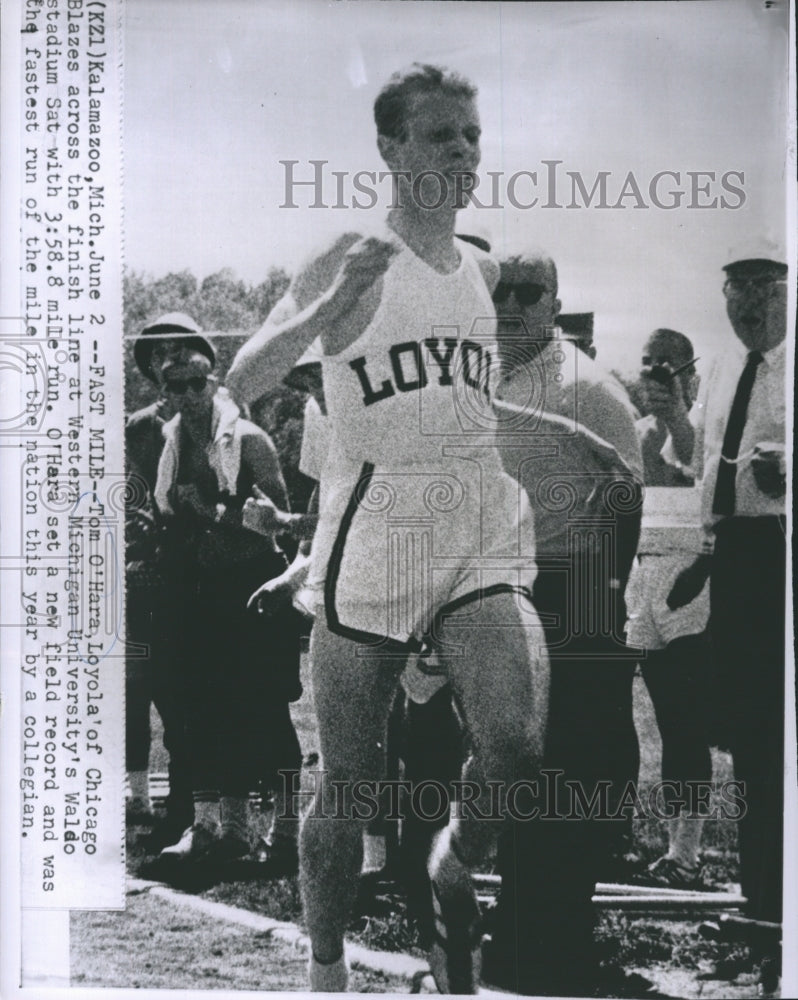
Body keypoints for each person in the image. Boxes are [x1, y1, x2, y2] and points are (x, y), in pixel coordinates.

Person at [227, 63, 549, 994]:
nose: (463, 151)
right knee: (349, 788)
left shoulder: (483, 272)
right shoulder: (351, 252)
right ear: (391, 149)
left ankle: (453, 861)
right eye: (442, 134)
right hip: (376, 526)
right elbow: (243, 378)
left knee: (516, 744)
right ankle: (326, 970)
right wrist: (330, 312)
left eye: (473, 136)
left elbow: (470, 414)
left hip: (474, 518)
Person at [483, 251, 645, 996]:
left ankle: (554, 939)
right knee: (523, 761)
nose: (511, 304)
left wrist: (598, 603)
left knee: (579, 764)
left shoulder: (583, 386)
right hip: (511, 587)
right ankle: (524, 928)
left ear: (554, 302)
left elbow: (626, 494)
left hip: (575, 589)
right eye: (499, 292)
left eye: (528, 292)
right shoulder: (489, 378)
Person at [665, 241, 787, 985]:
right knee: (750, 745)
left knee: (782, 741)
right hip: (736, 567)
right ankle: (762, 901)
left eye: (763, 287)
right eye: (735, 288)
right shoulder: (722, 371)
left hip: (785, 559)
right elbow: (699, 468)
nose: (747, 303)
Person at [151, 344, 303, 869]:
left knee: (264, 708)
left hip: (257, 586)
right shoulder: (172, 445)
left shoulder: (250, 441)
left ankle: (286, 832)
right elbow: (172, 514)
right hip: (204, 592)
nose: (191, 395)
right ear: (163, 392)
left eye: (199, 384)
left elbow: (279, 523)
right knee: (205, 711)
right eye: (179, 386)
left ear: (214, 384)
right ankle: (223, 829)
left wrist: (215, 512)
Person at [124, 312, 216, 844]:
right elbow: (132, 497)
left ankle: (206, 806)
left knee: (202, 692)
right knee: (156, 685)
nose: (171, 357)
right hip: (158, 572)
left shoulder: (219, 415)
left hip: (206, 563)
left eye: (182, 348)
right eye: (161, 352)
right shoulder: (140, 425)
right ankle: (173, 803)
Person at [626, 329, 712, 889]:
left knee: (685, 720)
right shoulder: (632, 433)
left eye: (669, 365)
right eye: (648, 363)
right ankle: (631, 834)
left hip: (688, 573)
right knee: (642, 714)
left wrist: (678, 412)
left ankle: (687, 850)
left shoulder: (704, 425)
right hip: (640, 572)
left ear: (691, 373)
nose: (656, 374)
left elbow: (698, 471)